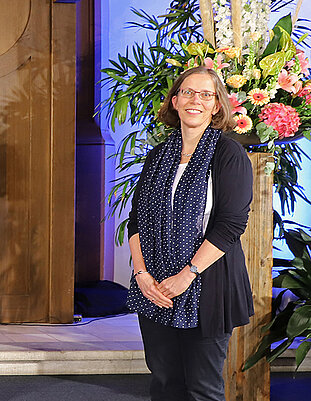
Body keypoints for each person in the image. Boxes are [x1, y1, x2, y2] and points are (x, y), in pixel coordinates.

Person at [126, 66, 253, 401]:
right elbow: (136, 219)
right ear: (175, 101)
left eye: (205, 94)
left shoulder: (229, 154)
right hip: (154, 287)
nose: (195, 99)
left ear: (216, 106)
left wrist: (187, 274)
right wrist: (141, 274)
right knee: (165, 383)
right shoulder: (157, 157)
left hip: (206, 286)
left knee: (202, 389)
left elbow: (231, 225)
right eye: (187, 92)